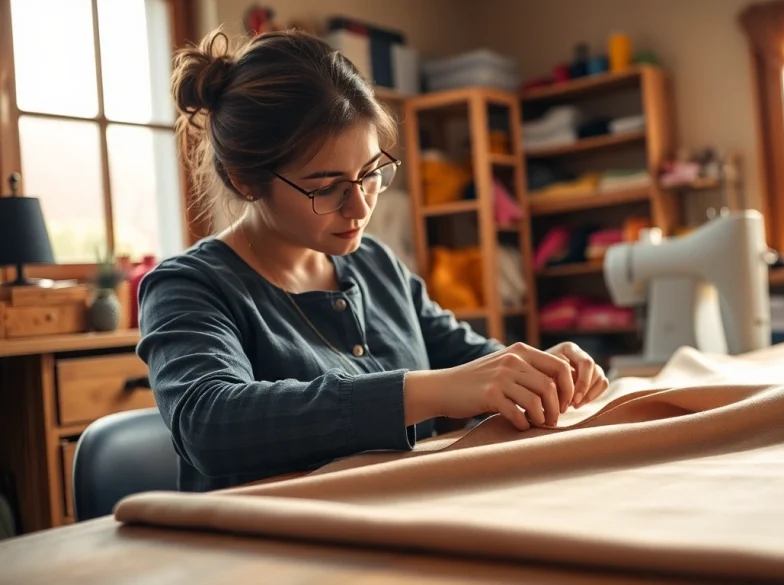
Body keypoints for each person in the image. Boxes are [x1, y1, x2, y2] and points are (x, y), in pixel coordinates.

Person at [137, 27, 609, 493]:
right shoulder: (187, 287)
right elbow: (209, 424)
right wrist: (432, 391)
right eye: (326, 188)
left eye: (370, 174)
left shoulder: (374, 264)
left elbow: (465, 360)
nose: (360, 207)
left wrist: (538, 370)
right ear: (244, 180)